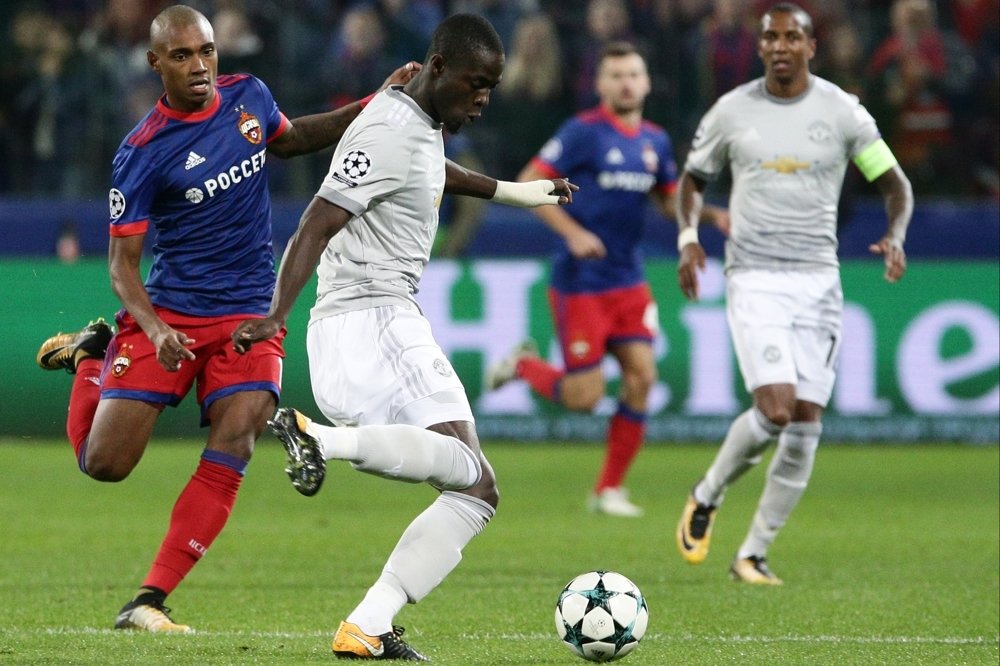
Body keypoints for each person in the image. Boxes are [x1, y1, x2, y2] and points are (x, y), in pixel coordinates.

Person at [34, 4, 420, 633]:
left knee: (240, 432)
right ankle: (89, 357)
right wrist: (153, 328)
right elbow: (122, 266)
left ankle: (149, 600)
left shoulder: (250, 97)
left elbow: (292, 139)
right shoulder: (142, 152)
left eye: (207, 51)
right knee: (105, 464)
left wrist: (374, 102)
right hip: (172, 314)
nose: (199, 66)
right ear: (155, 63)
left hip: (249, 309)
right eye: (182, 55)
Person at [230, 13, 576, 661]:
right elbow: (316, 222)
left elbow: (431, 171)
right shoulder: (390, 129)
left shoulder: (411, 116)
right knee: (472, 479)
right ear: (437, 68)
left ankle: (367, 624)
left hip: (365, 325)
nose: (483, 98)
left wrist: (518, 194)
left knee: (473, 487)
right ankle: (319, 439)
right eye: (475, 83)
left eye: (491, 87)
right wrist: (277, 314)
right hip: (373, 320)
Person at [674, 2, 913, 584]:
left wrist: (896, 234)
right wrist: (688, 237)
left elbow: (894, 184)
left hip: (818, 280)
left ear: (811, 46)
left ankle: (752, 555)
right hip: (754, 275)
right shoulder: (732, 111)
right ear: (760, 47)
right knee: (777, 408)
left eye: (791, 37)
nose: (780, 46)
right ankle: (708, 492)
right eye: (771, 37)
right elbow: (693, 180)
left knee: (806, 423)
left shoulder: (843, 112)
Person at [486, 41, 728, 518]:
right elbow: (529, 181)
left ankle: (609, 489)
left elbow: (667, 201)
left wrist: (709, 215)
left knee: (642, 378)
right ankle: (524, 366)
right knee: (585, 398)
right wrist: (573, 233)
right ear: (600, 85)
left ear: (647, 82)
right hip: (581, 282)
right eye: (616, 76)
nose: (626, 83)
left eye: (633, 74)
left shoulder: (655, 141)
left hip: (628, 280)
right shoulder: (582, 132)